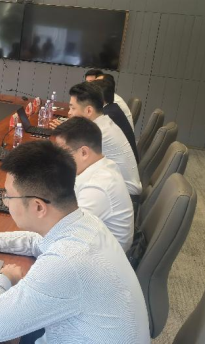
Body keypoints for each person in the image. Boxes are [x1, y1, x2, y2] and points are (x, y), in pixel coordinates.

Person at [0, 141, 149, 344]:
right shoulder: (84, 221)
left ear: (38, 207)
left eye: (8, 196)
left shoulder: (66, 261)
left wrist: (3, 278)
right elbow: (35, 241)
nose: (6, 202)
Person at [51, 117, 134, 251]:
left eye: (62, 152)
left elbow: (64, 235)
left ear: (84, 153)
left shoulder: (97, 187)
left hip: (100, 258)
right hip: (91, 246)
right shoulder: (102, 165)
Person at [66, 82, 142, 198]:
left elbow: (74, 166)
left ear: (89, 111)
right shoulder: (104, 123)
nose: (69, 113)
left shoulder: (98, 133)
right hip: (117, 189)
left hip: (124, 194)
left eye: (73, 108)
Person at [92, 78, 139, 163]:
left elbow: (90, 141)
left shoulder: (108, 116)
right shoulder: (112, 108)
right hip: (124, 161)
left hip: (120, 167)